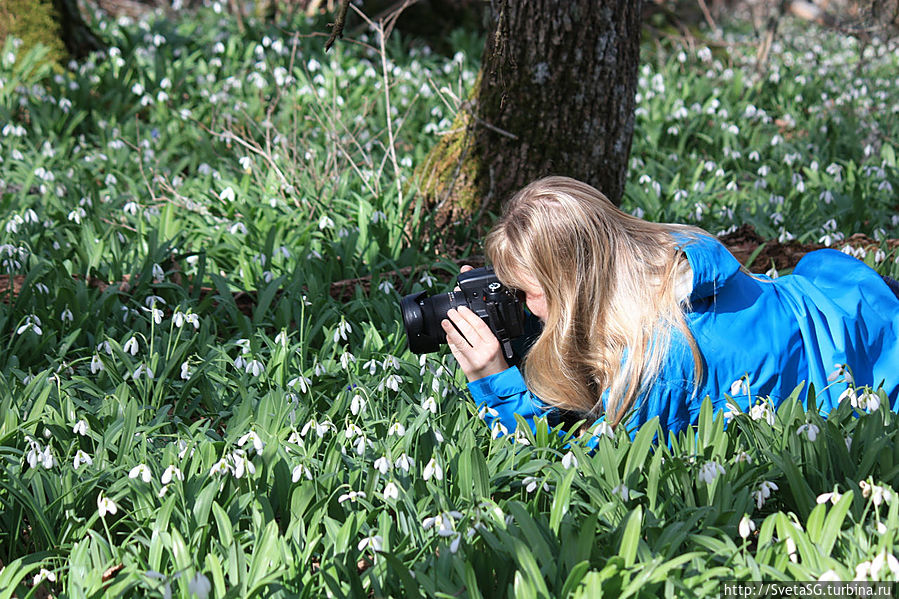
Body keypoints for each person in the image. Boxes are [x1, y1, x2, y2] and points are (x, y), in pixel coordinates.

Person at [440, 176, 899, 442]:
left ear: (572, 290)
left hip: (881, 357)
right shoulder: (671, 260)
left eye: (525, 294)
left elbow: (570, 478)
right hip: (849, 304)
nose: (523, 306)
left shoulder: (659, 365)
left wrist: (494, 381)